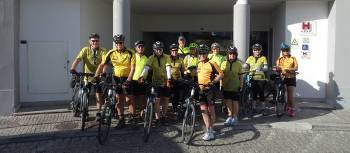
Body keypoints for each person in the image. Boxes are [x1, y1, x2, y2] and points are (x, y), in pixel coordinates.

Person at [94, 34, 135, 128]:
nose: (119, 44)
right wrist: (96, 76)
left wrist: (128, 80)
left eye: (120, 42)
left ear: (123, 43)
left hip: (127, 77)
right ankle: (121, 120)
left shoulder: (130, 52)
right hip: (116, 78)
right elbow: (101, 65)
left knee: (129, 99)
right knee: (119, 99)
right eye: (117, 43)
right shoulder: (111, 52)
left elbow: (133, 68)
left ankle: (132, 118)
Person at [70, 33, 107, 118]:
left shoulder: (102, 50)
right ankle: (83, 110)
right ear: (90, 41)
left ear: (99, 41)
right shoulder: (85, 50)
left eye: (96, 41)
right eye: (93, 41)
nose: (95, 42)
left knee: (98, 95)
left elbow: (104, 63)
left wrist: (103, 72)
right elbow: (77, 59)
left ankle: (98, 113)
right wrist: (73, 69)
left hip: (98, 76)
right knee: (84, 94)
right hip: (87, 76)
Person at [139, 41, 172, 124]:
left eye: (160, 49)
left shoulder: (167, 57)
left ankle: (163, 117)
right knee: (157, 100)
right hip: (156, 82)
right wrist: (142, 76)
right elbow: (146, 67)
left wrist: (169, 79)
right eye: (157, 49)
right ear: (154, 49)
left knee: (166, 99)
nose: (159, 50)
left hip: (166, 81)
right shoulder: (151, 58)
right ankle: (158, 118)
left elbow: (168, 67)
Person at [197, 44, 224, 141]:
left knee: (211, 111)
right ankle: (209, 129)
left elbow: (221, 74)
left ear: (207, 53)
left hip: (210, 91)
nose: (202, 55)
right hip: (201, 91)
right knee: (204, 111)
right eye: (200, 53)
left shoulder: (212, 63)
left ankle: (210, 130)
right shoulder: (198, 63)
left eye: (204, 52)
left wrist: (214, 81)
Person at [221, 46, 243, 126]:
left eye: (234, 54)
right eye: (230, 53)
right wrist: (221, 85)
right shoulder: (223, 63)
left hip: (235, 86)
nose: (232, 55)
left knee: (235, 102)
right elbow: (221, 75)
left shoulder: (239, 64)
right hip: (226, 86)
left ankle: (235, 117)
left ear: (236, 55)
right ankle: (229, 116)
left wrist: (241, 85)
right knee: (228, 102)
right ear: (227, 54)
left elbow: (241, 76)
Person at [244, 43, 269, 115]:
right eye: (255, 50)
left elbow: (266, 68)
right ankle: (254, 108)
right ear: (253, 51)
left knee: (261, 93)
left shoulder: (263, 58)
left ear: (260, 50)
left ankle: (263, 108)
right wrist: (244, 66)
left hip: (261, 78)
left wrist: (261, 68)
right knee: (254, 93)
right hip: (252, 77)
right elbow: (246, 65)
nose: (257, 51)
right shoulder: (249, 58)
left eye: (258, 50)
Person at [275, 42, 298, 117]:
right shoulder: (280, 59)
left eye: (287, 50)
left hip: (291, 77)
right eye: (284, 50)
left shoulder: (293, 58)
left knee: (290, 95)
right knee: (279, 91)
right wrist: (276, 68)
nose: (286, 52)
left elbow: (296, 68)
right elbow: (277, 67)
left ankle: (292, 108)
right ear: (282, 51)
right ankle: (284, 104)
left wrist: (289, 69)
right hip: (282, 77)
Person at [129, 40, 148, 124]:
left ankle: (142, 115)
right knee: (132, 99)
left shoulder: (147, 58)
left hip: (142, 81)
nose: (140, 48)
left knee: (142, 99)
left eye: (142, 46)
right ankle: (132, 116)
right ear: (136, 48)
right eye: (139, 46)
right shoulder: (132, 56)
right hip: (133, 80)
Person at [168, 43, 185, 113]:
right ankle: (175, 109)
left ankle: (180, 107)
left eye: (176, 50)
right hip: (170, 80)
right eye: (173, 50)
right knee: (173, 96)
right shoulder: (167, 58)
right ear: (170, 51)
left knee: (180, 94)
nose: (174, 52)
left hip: (179, 79)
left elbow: (183, 70)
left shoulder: (181, 59)